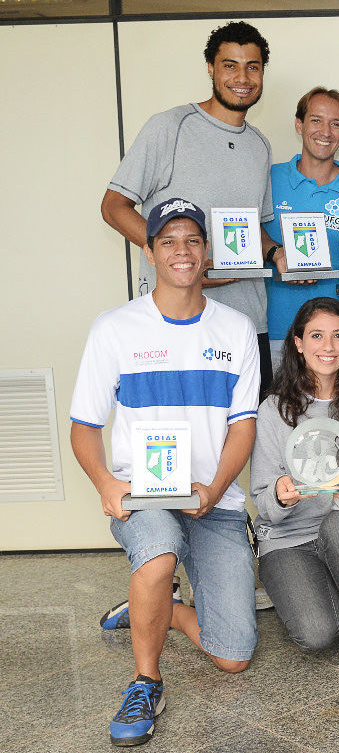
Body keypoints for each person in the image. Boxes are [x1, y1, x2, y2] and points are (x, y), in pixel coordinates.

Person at [70, 199, 259, 746]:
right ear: (149, 250)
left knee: (232, 658)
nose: (182, 250)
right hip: (145, 499)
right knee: (157, 556)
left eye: (193, 240)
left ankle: (161, 609)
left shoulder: (237, 329)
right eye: (168, 240)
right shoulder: (115, 329)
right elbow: (84, 425)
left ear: (207, 251)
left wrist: (213, 489)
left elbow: (243, 428)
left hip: (213, 501)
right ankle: (145, 681)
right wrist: (107, 484)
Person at [101, 21, 280, 395]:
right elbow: (114, 206)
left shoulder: (260, 145)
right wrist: (184, 263)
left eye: (252, 66)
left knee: (247, 437)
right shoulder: (169, 127)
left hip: (247, 321)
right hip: (176, 321)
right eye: (229, 65)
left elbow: (254, 227)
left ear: (262, 71)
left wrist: (277, 253)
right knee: (180, 436)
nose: (242, 77)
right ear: (211, 68)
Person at [251, 297, 339, 685]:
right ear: (298, 343)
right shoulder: (274, 409)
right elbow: (261, 499)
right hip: (288, 540)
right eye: (316, 336)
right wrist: (279, 495)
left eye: (338, 336)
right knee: (317, 634)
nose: (327, 347)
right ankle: (319, 587)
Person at [263, 87, 339, 365]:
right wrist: (275, 253)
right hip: (278, 332)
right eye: (316, 120)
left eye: (335, 123)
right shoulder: (268, 179)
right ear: (299, 124)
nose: (325, 131)